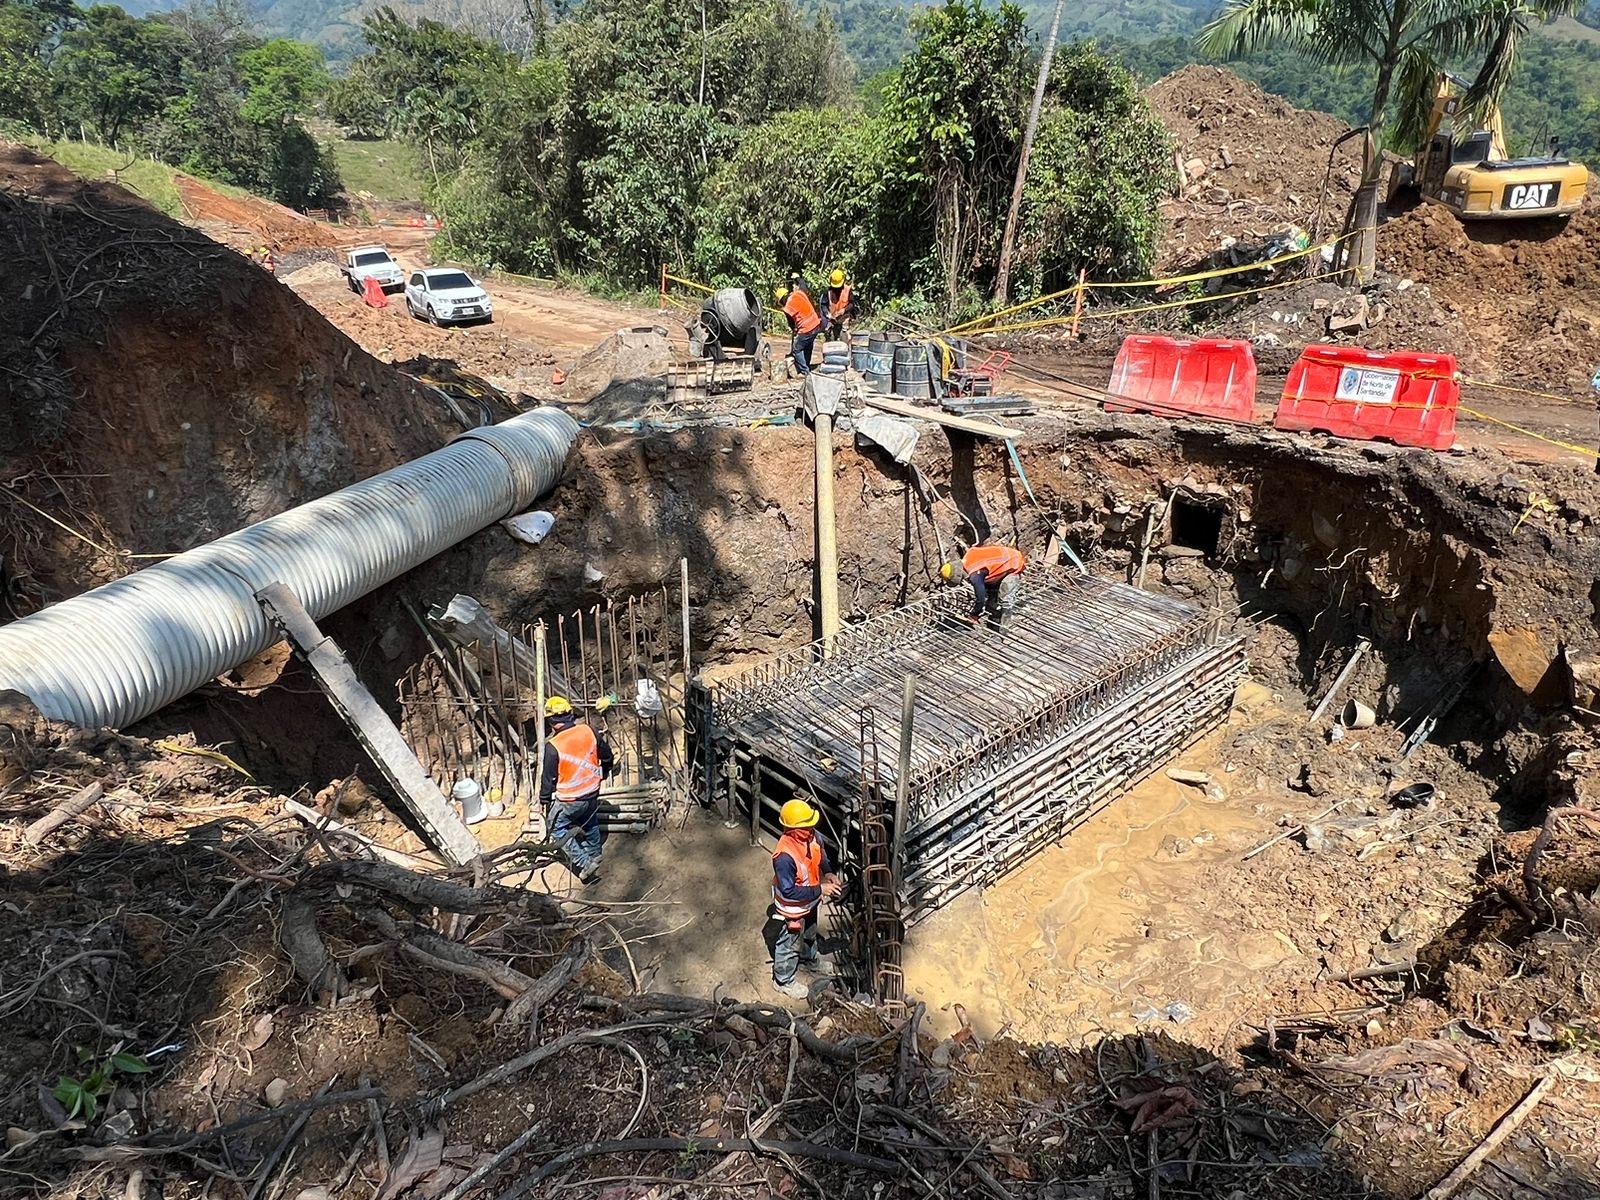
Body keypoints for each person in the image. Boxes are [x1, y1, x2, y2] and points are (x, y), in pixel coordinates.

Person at [768, 798, 841, 1000]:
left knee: (810, 932)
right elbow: (789, 891)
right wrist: (821, 889)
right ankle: (783, 980)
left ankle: (809, 959)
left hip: (810, 901)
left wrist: (828, 872)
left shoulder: (811, 835)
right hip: (791, 908)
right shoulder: (784, 856)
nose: (811, 829)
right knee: (789, 943)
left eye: (811, 824)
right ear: (791, 829)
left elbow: (821, 854)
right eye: (806, 826)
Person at [539, 695, 614, 881]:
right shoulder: (589, 731)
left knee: (555, 826)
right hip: (592, 791)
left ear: (551, 721)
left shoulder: (553, 746)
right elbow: (607, 756)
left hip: (570, 799)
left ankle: (584, 862)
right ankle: (595, 853)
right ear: (571, 714)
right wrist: (603, 773)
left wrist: (544, 799)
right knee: (589, 819)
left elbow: (548, 778)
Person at [941, 543, 1027, 630]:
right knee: (992, 596)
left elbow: (981, 599)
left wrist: (974, 614)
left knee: (1005, 599)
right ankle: (995, 621)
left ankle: (1004, 628)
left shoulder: (975, 575)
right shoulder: (968, 556)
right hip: (1006, 559)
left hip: (1014, 563)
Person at [775, 284, 822, 377]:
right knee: (808, 345)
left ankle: (804, 371)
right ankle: (806, 365)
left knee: (797, 349)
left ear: (781, 300)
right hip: (816, 324)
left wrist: (795, 332)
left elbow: (792, 324)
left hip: (806, 329)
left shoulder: (787, 308)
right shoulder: (800, 293)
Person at [821, 268, 855, 340]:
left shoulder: (848, 290)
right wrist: (828, 314)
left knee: (844, 341)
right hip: (832, 320)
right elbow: (823, 305)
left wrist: (844, 310)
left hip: (844, 319)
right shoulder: (828, 291)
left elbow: (852, 304)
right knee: (831, 342)